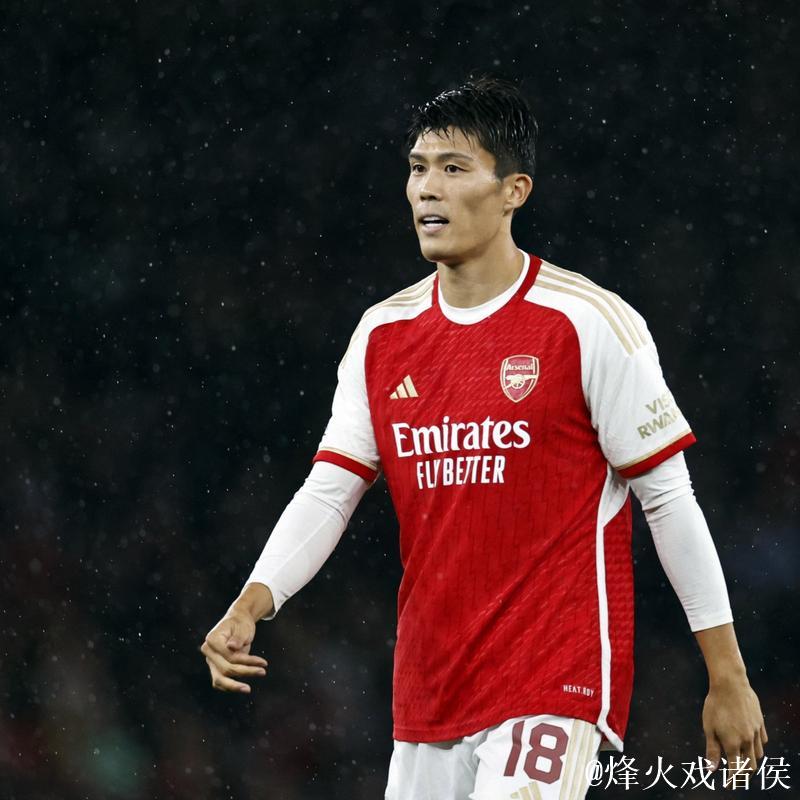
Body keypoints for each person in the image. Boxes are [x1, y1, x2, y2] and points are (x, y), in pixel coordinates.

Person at [200, 76, 767, 799]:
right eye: (417, 168)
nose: (427, 189)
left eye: (453, 168)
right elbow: (331, 491)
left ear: (513, 192)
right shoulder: (382, 335)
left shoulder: (586, 322)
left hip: (551, 679)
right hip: (430, 688)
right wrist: (252, 601)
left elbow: (668, 498)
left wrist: (727, 674)